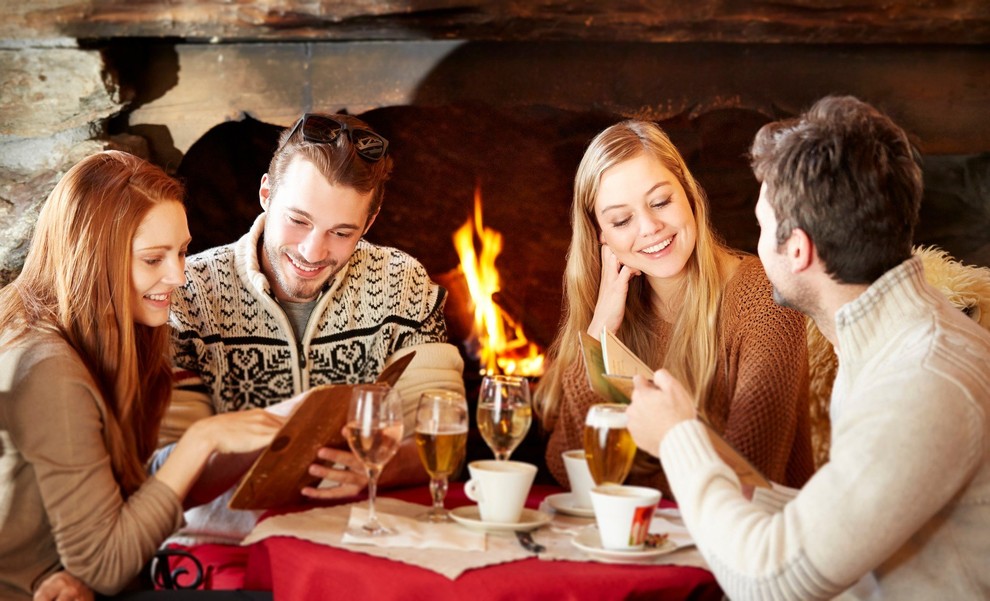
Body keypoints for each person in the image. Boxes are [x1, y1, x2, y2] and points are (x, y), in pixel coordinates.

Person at [627, 96, 990, 599]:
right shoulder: (893, 341)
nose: (755, 244)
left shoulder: (920, 381)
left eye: (760, 226)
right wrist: (710, 452)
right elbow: (839, 518)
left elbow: (773, 580)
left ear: (797, 250)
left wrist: (677, 438)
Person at [157, 112, 465, 543]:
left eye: (341, 232)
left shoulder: (404, 282)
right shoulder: (187, 293)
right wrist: (286, 429)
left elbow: (443, 443)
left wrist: (380, 467)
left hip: (359, 543)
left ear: (369, 223)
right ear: (266, 193)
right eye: (298, 221)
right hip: (222, 548)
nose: (312, 251)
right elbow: (167, 475)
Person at [0, 151, 283, 600]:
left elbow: (112, 515)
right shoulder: (49, 371)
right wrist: (202, 440)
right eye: (154, 259)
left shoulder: (107, 328)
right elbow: (107, 565)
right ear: (92, 257)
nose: (178, 275)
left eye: (182, 251)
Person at [535, 119, 815, 496]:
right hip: (646, 540)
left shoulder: (766, 299)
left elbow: (750, 477)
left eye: (661, 201)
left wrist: (632, 480)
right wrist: (598, 337)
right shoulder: (620, 315)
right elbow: (569, 467)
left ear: (688, 194)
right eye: (621, 220)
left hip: (747, 545)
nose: (649, 227)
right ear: (602, 236)